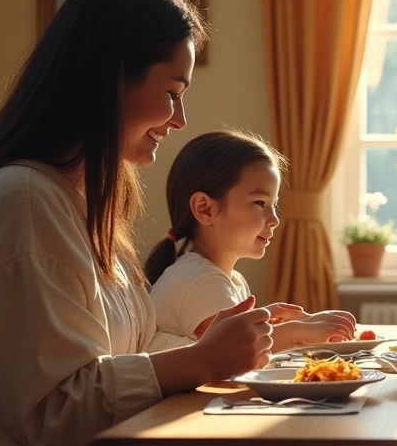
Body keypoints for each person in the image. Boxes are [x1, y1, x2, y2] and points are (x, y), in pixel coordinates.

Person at [0, 0, 275, 446]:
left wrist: (213, 350)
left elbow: (119, 356)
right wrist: (196, 363)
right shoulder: (23, 204)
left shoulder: (76, 203)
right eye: (173, 91)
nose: (180, 118)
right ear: (111, 78)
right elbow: (48, 410)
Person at [145, 129, 358, 349]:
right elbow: (233, 350)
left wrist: (289, 322)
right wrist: (298, 332)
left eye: (274, 205)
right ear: (205, 209)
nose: (274, 219)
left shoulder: (229, 280)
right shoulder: (199, 281)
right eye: (260, 203)